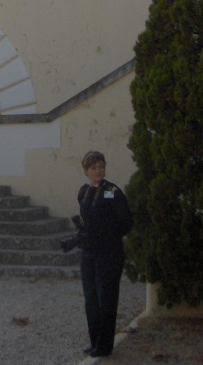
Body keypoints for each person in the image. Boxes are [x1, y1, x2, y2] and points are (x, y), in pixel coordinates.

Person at [76, 150, 133, 358]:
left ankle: (105, 344)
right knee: (91, 298)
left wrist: (108, 234)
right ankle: (95, 342)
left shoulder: (113, 191)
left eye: (101, 166)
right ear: (86, 171)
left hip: (109, 253)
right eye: (93, 167)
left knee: (106, 299)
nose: (98, 170)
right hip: (89, 253)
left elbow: (126, 222)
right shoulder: (83, 192)